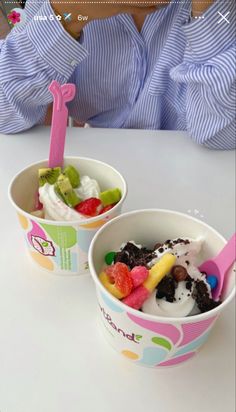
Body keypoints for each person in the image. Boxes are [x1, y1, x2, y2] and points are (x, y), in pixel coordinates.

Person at [0, 0, 235, 149]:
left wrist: (208, 10)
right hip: (94, 180)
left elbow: (222, 138)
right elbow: (4, 114)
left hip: (195, 188)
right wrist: (71, 12)